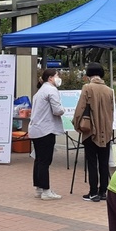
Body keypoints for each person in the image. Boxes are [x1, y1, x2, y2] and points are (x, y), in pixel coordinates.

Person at [73, 62, 116, 202]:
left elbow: (80, 109)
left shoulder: (87, 88)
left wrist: (76, 123)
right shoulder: (109, 90)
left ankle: (93, 192)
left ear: (88, 74)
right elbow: (111, 111)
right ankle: (103, 191)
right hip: (106, 131)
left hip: (90, 130)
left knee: (92, 162)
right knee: (104, 162)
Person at [28, 69, 65, 201]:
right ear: (50, 78)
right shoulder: (51, 90)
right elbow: (57, 110)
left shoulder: (40, 91)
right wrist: (64, 109)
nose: (58, 78)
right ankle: (46, 191)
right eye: (57, 75)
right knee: (45, 160)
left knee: (39, 159)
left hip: (36, 130)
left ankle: (39, 188)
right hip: (46, 130)